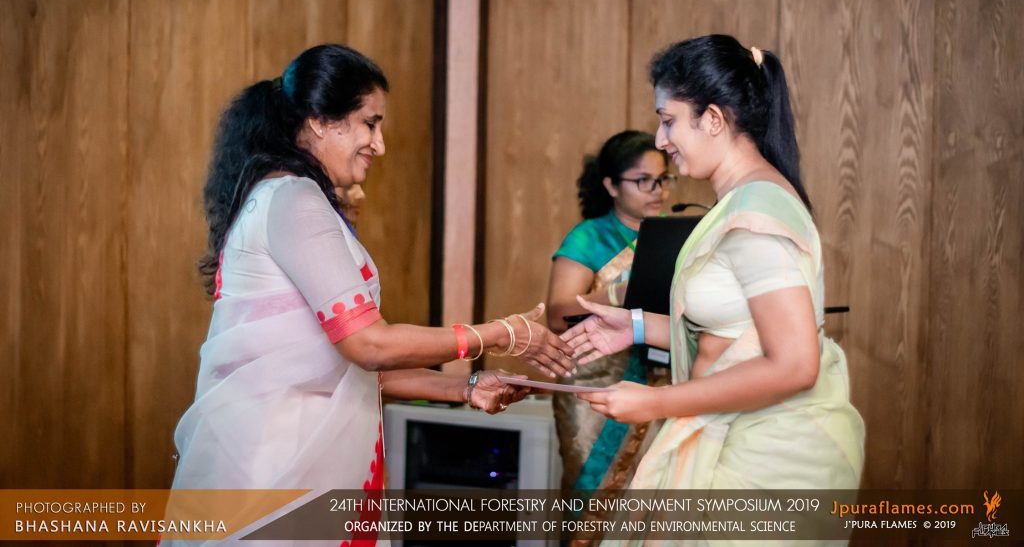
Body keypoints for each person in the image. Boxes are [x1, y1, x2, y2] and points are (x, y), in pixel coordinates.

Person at [170, 44, 574, 543]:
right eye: (370, 123)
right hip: (280, 460)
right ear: (320, 121)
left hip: (284, 450)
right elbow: (369, 345)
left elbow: (343, 364)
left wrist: (464, 388)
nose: (379, 145)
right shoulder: (296, 198)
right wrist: (500, 333)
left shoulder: (279, 194)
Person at [566, 35, 864, 541]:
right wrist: (635, 326)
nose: (661, 139)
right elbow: (732, 335)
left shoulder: (757, 210)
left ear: (713, 119)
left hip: (766, 458)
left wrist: (656, 403)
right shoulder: (742, 199)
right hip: (739, 440)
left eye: (668, 120)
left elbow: (795, 364)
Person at [546, 131, 675, 506]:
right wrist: (619, 292)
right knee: (595, 502)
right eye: (644, 181)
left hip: (659, 385)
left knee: (653, 503)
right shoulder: (589, 238)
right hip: (596, 388)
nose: (658, 191)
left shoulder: (671, 234)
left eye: (663, 179)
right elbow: (557, 315)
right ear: (611, 185)